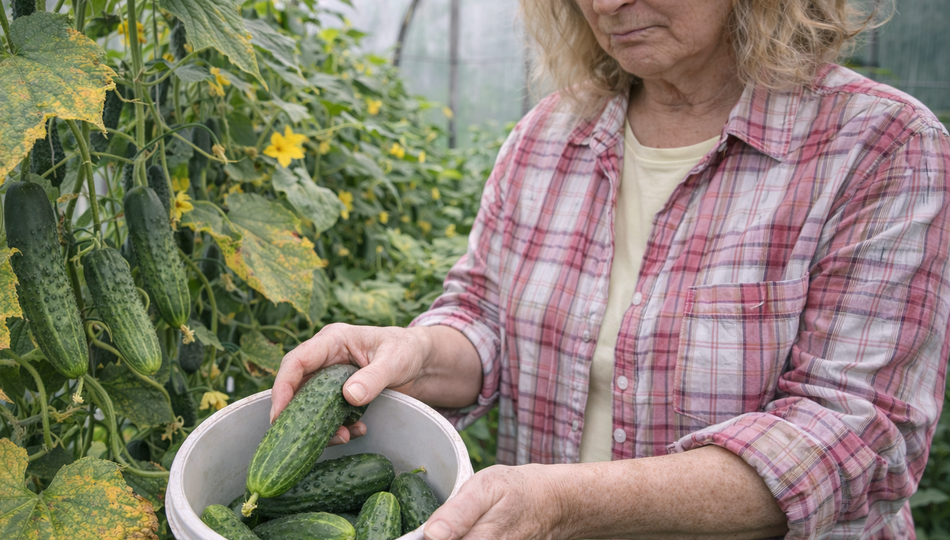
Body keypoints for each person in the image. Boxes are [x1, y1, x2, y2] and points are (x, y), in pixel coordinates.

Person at [271, 0, 950, 538]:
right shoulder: (549, 135)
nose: (607, 3)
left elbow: (853, 437)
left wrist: (564, 506)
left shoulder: (880, 148)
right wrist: (412, 351)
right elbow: (482, 318)